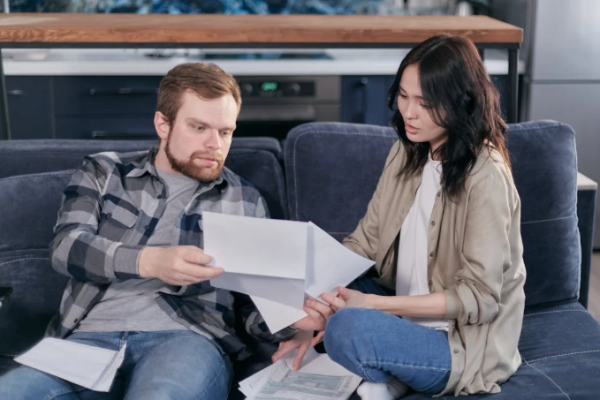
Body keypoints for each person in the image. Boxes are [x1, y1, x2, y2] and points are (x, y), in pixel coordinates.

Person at [0, 62, 331, 400]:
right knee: (12, 391)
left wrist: (290, 321)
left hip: (187, 340)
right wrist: (152, 261)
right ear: (163, 124)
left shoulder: (244, 199)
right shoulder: (105, 172)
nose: (214, 144)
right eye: (199, 127)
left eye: (225, 132)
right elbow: (66, 247)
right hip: (87, 337)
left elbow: (250, 307)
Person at [275, 34, 526, 399]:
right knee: (311, 289)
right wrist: (312, 311)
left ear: (461, 102)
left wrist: (372, 305)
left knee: (347, 327)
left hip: (456, 341)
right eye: (404, 96)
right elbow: (364, 242)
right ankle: (396, 369)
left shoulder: (485, 176)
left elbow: (479, 298)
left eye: (425, 103)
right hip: (401, 315)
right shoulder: (406, 151)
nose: (408, 112)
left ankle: (395, 373)